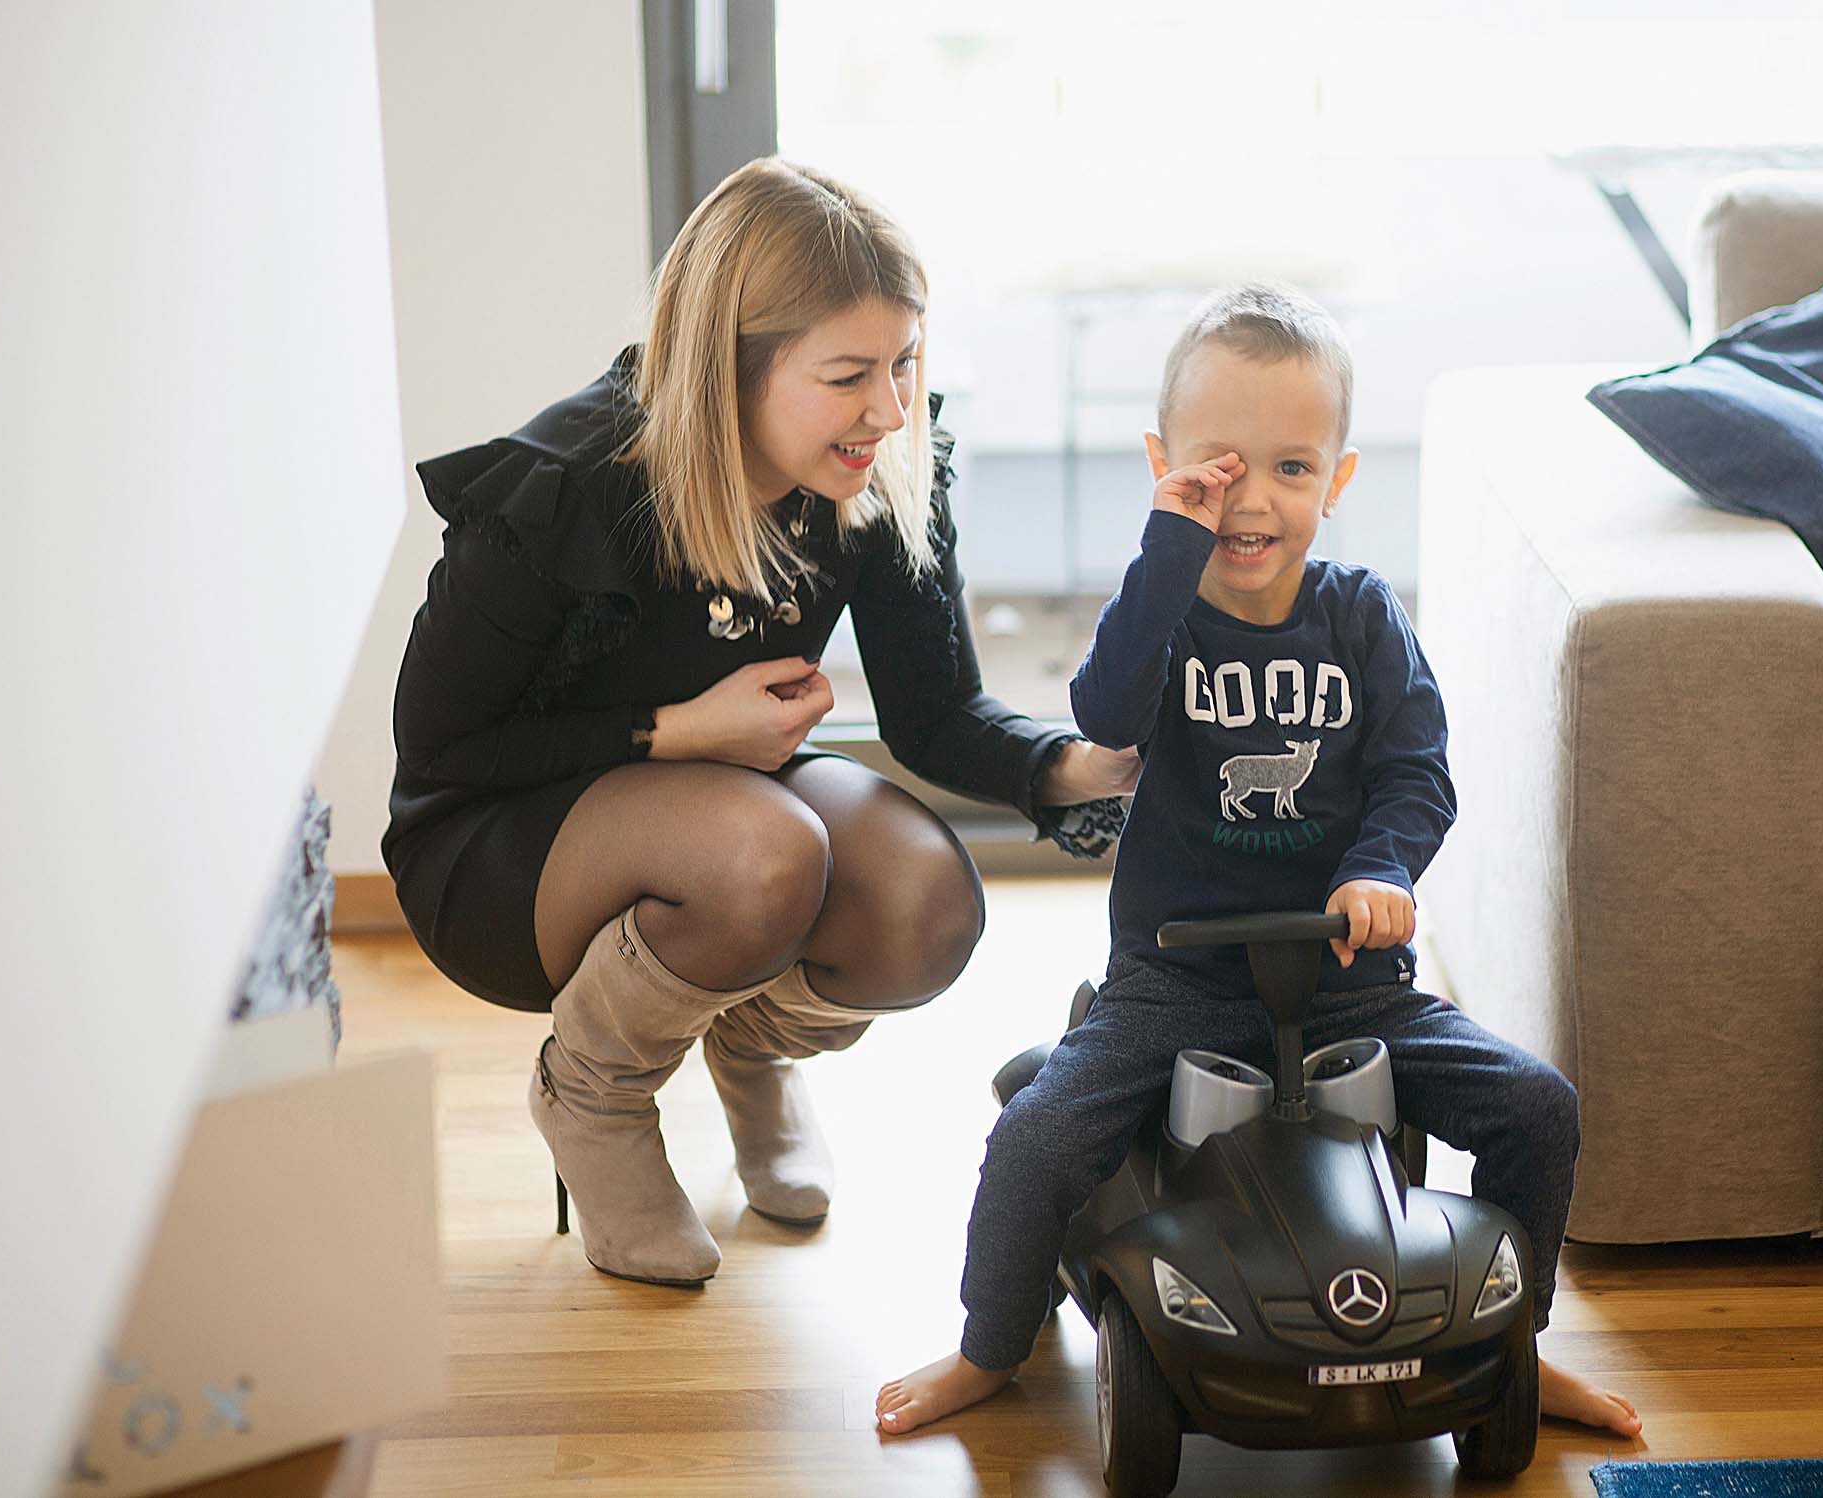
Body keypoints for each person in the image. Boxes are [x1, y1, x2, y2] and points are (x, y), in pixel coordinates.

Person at [876, 284, 1642, 1438]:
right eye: (1218, 467)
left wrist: (1378, 874)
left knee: (1537, 1107)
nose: (1253, 497)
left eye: (1291, 468)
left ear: (1334, 482)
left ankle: (1512, 1343)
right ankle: (988, 1346)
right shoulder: (1163, 615)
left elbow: (1414, 774)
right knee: (1035, 1135)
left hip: (1348, 981)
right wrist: (1166, 549)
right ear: (1166, 466)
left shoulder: (1364, 620)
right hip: (1174, 983)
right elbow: (1102, 709)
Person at [382, 157, 1134, 1288]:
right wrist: (675, 731)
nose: (887, 408)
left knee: (923, 905)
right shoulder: (569, 486)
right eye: (847, 375)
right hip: (499, 848)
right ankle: (591, 1097)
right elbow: (440, 755)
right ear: (729, 370)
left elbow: (934, 716)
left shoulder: (872, 465)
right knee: (768, 850)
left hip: (715, 791)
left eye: (903, 361)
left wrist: (1082, 769)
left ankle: (750, 1042)